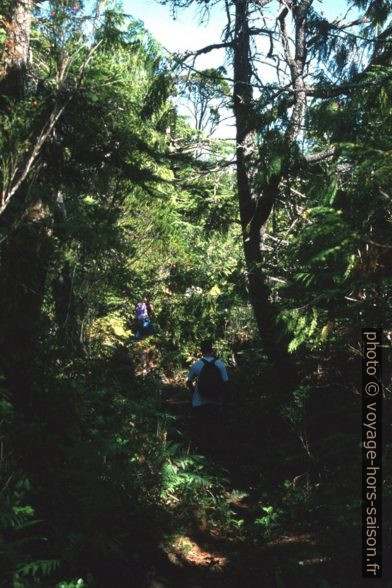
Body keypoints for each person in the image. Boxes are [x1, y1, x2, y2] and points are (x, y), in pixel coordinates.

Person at [186, 339, 229, 452]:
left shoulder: (197, 365)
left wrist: (195, 392)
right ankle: (219, 448)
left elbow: (188, 382)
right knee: (217, 424)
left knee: (202, 424)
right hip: (216, 400)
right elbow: (226, 382)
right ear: (212, 349)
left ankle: (203, 449)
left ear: (201, 350)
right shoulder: (220, 364)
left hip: (200, 401)